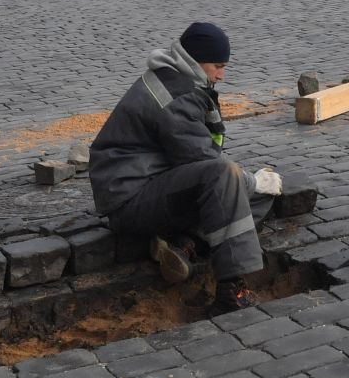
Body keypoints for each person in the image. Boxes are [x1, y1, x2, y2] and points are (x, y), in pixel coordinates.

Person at [88, 22, 262, 311]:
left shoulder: (177, 78)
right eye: (217, 65)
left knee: (248, 197)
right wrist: (253, 181)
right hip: (129, 200)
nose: (222, 74)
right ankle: (232, 292)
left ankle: (185, 245)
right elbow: (204, 162)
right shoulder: (177, 96)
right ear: (196, 60)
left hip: (152, 183)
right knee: (230, 179)